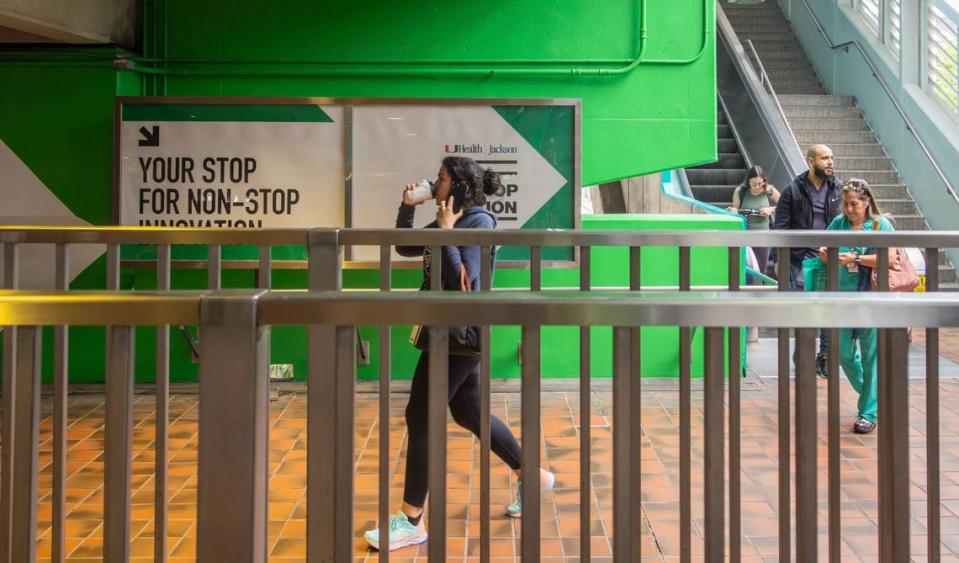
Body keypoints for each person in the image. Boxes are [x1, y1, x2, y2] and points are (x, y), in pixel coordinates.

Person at [364, 156, 555, 551]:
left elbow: (465, 284)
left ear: (462, 186)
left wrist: (448, 233)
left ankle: (412, 520)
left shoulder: (478, 222)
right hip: (447, 332)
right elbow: (405, 246)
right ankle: (531, 477)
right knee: (469, 411)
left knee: (420, 417)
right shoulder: (450, 219)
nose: (436, 183)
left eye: (442, 178)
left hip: (459, 335)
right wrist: (407, 207)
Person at [814, 178, 894, 433]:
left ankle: (868, 412)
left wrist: (856, 258)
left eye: (854, 204)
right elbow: (823, 250)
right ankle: (875, 397)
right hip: (841, 297)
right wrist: (826, 254)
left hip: (870, 298)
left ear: (866, 202)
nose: (848, 209)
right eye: (845, 204)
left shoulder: (881, 225)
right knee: (841, 352)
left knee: (871, 355)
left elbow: (889, 258)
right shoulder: (838, 223)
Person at [774, 144, 843, 378]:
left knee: (827, 309)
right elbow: (781, 228)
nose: (830, 162)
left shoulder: (838, 189)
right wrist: (779, 260)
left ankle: (824, 357)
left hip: (829, 259)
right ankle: (802, 356)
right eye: (825, 158)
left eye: (832, 158)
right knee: (805, 310)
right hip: (801, 261)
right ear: (811, 161)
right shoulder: (793, 190)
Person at [728, 165, 780, 277]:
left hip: (763, 235)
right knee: (744, 268)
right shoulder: (740, 191)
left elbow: (784, 206)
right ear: (748, 181)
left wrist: (770, 209)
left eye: (760, 183)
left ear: (764, 181)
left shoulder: (769, 190)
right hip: (744, 235)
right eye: (753, 184)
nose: (757, 187)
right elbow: (735, 210)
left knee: (761, 270)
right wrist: (733, 211)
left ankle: (759, 292)